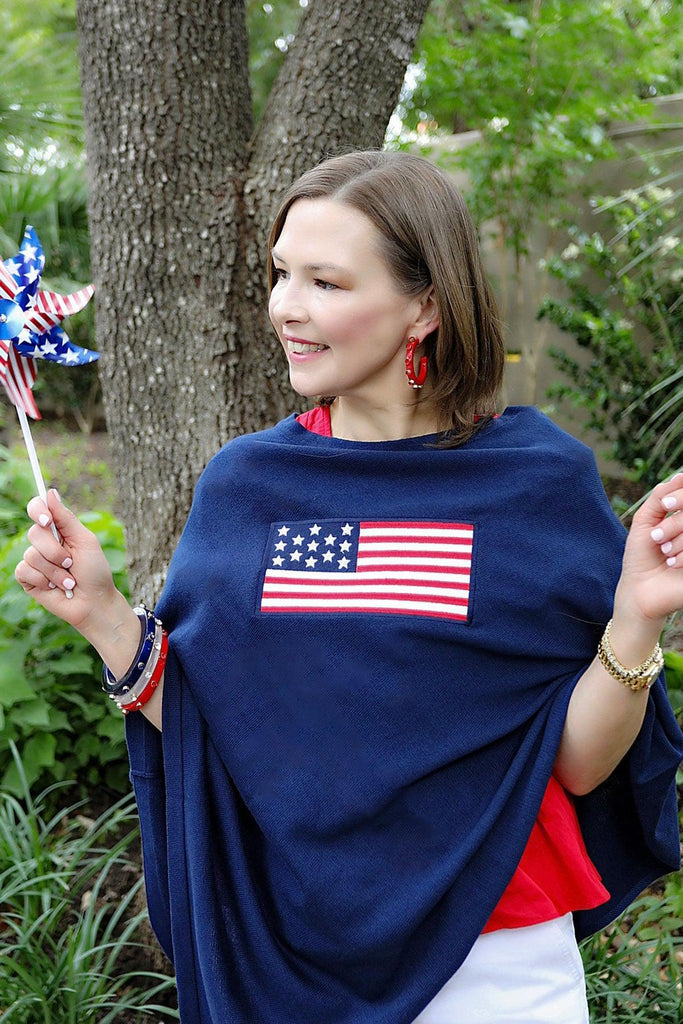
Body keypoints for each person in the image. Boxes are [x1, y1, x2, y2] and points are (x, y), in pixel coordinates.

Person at [15, 150, 683, 1024]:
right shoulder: (248, 486)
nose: (286, 307)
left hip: (496, 957)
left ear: (425, 306)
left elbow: (579, 765)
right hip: (284, 947)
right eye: (281, 273)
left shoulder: (535, 485)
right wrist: (103, 616)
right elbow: (229, 733)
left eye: (325, 282)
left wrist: (634, 620)